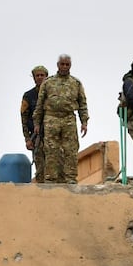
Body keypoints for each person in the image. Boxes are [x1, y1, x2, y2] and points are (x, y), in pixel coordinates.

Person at [32, 54, 88, 184]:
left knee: (71, 150)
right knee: (51, 150)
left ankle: (71, 179)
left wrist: (84, 122)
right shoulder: (48, 82)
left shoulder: (76, 83)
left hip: (69, 118)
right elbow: (40, 104)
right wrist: (37, 123)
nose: (64, 67)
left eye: (67, 64)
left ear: (70, 66)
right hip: (51, 118)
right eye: (62, 64)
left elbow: (82, 104)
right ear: (58, 65)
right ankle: (51, 179)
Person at [20, 65, 49, 182]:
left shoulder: (52, 94)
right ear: (34, 78)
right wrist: (27, 139)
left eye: (42, 75)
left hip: (53, 136)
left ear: (46, 77)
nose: (40, 77)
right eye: (37, 75)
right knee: (40, 170)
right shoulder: (28, 96)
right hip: (37, 137)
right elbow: (24, 119)